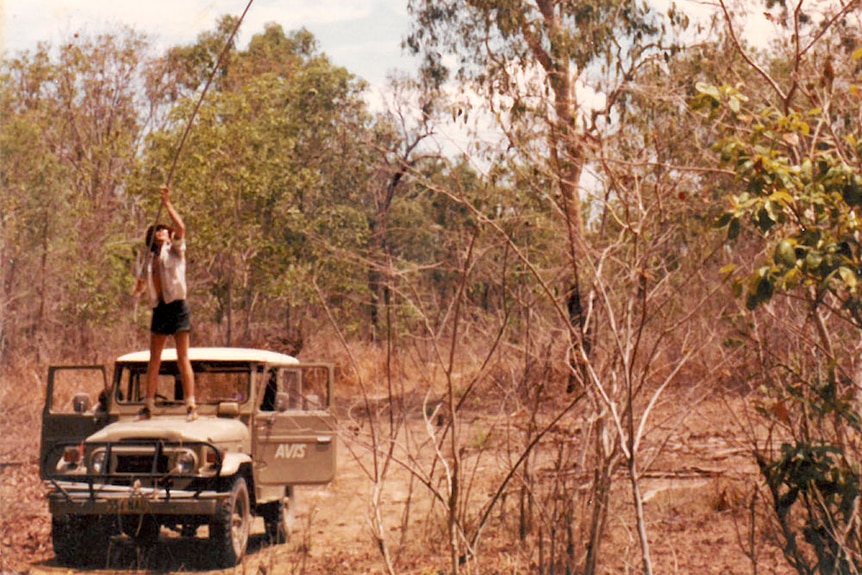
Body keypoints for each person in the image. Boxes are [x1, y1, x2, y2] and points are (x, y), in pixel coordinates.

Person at [133, 185, 197, 421]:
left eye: (164, 231)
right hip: (160, 309)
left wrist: (168, 204)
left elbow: (181, 228)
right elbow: (142, 282)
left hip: (178, 307)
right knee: (155, 359)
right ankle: (148, 404)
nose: (162, 233)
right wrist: (138, 288)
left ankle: (190, 404)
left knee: (182, 357)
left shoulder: (175, 251)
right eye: (158, 231)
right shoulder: (149, 260)